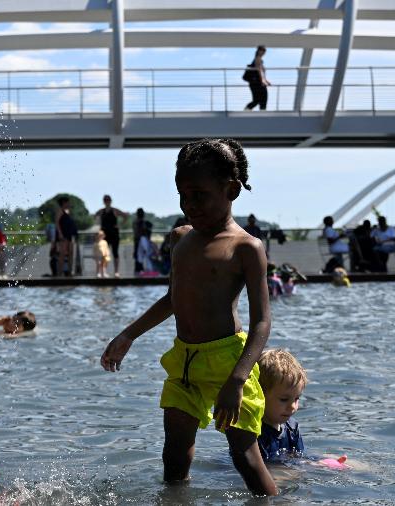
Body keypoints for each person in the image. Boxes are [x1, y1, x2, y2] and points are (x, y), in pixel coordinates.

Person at [100, 138, 277, 496]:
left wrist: (238, 379)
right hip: (184, 361)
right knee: (174, 453)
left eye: (200, 195)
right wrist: (129, 334)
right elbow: (172, 299)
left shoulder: (246, 247)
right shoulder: (182, 238)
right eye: (183, 195)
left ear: (231, 190)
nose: (190, 205)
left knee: (244, 455)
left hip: (228, 361)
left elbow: (262, 322)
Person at [257, 349, 306, 462]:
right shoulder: (254, 434)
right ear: (260, 395)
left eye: (297, 398)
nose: (293, 406)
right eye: (284, 399)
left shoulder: (292, 428)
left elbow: (299, 458)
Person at [94, 195, 129, 277]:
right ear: (103, 201)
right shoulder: (101, 211)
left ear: (110, 201)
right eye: (105, 200)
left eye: (108, 200)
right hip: (104, 235)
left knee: (115, 253)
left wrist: (120, 225)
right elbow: (95, 216)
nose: (107, 201)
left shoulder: (115, 210)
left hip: (114, 234)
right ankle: (104, 271)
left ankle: (116, 271)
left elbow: (125, 216)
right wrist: (99, 225)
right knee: (104, 253)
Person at [55, 197, 78, 277]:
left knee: (71, 253)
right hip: (63, 235)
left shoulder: (68, 211)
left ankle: (69, 272)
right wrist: (60, 234)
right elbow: (57, 223)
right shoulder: (60, 211)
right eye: (67, 202)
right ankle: (60, 273)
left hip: (70, 235)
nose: (69, 204)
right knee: (62, 254)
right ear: (64, 203)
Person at [243, 45, 271, 111]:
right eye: (262, 50)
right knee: (261, 99)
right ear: (258, 51)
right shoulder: (258, 59)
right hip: (257, 83)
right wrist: (262, 81)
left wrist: (266, 80)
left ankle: (248, 109)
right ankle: (250, 110)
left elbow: (261, 72)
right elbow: (259, 71)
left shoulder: (259, 60)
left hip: (256, 82)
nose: (263, 52)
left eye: (264, 51)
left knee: (259, 99)